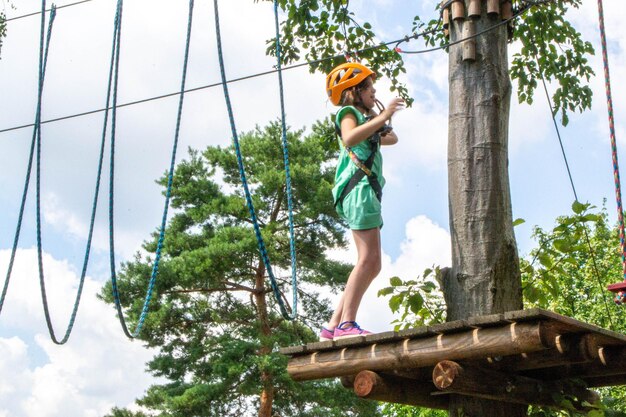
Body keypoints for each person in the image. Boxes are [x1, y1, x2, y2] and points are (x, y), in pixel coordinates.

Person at [320, 62, 404, 340]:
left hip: (366, 192)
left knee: (373, 262)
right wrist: (382, 117)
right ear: (354, 91)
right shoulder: (348, 113)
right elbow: (349, 136)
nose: (375, 90)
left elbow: (392, 139)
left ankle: (333, 325)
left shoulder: (365, 118)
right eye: (369, 87)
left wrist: (379, 121)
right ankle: (347, 324)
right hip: (358, 191)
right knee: (368, 259)